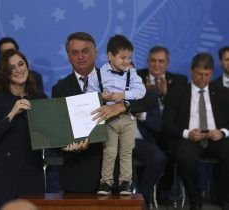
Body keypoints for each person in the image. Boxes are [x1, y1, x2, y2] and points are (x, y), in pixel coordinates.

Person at [52, 32, 153, 193]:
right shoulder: (60, 89)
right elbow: (58, 130)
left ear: (96, 52)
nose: (80, 57)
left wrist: (122, 105)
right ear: (68, 56)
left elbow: (149, 100)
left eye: (85, 51)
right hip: (79, 172)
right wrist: (70, 145)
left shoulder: (120, 73)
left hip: (117, 173)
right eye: (74, 52)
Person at [163, 52, 229, 210]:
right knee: (184, 155)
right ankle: (195, 199)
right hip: (189, 139)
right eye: (199, 74)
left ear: (212, 73)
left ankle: (223, 197)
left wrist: (223, 132)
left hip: (216, 138)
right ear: (191, 71)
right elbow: (166, 124)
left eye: (207, 74)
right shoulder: (177, 92)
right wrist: (187, 133)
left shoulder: (223, 92)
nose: (203, 78)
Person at [0, 49, 46, 210]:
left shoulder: (40, 98)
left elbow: (51, 134)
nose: (18, 70)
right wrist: (12, 113)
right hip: (2, 173)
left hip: (32, 171)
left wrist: (69, 145)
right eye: (12, 68)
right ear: (5, 73)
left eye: (21, 64)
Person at [86, 34, 145, 195]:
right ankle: (106, 182)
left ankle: (126, 182)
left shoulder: (131, 73)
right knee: (110, 151)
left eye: (129, 58)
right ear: (110, 56)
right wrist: (100, 96)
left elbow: (141, 91)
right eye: (123, 58)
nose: (127, 62)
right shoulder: (97, 74)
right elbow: (88, 93)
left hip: (128, 120)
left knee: (126, 152)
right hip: (109, 120)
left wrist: (123, 96)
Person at [137, 45, 188, 202]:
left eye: (161, 61)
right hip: (145, 129)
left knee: (174, 150)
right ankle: (142, 193)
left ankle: (164, 190)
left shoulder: (179, 81)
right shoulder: (137, 78)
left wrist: (166, 95)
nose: (156, 65)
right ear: (147, 61)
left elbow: (182, 110)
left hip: (168, 130)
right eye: (153, 61)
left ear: (167, 63)